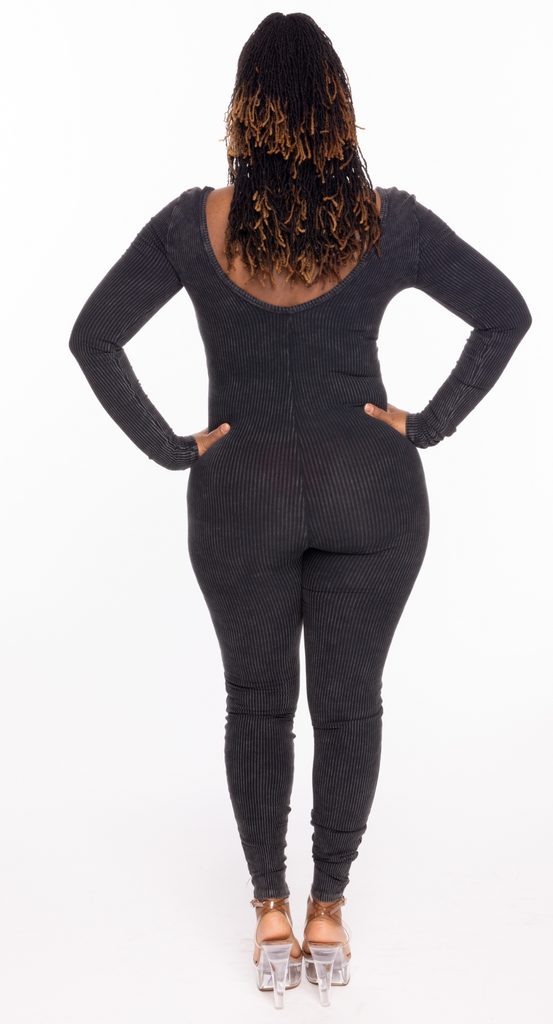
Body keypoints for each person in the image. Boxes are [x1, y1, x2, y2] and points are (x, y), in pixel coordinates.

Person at [68, 12, 532, 1010]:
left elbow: (93, 337)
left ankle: (270, 913)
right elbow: (506, 312)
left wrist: (172, 446)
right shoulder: (385, 221)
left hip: (239, 496)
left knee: (256, 702)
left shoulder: (194, 224)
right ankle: (329, 912)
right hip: (371, 489)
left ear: (245, 111)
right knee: (349, 703)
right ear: (337, 110)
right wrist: (426, 424)